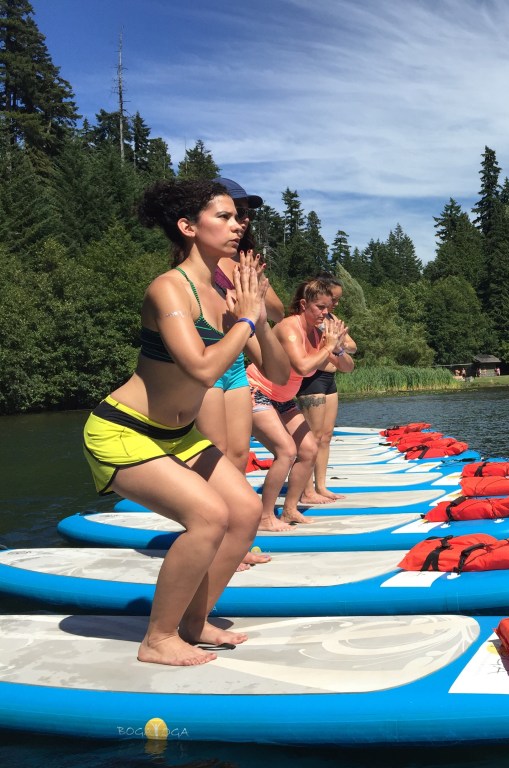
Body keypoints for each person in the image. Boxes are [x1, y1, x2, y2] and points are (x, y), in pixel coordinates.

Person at [82, 179, 275, 666]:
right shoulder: (170, 287)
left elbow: (275, 373)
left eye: (239, 217)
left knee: (245, 514)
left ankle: (194, 620)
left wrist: (256, 317)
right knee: (208, 517)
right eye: (225, 217)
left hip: (178, 435)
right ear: (189, 227)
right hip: (123, 430)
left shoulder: (221, 291)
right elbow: (203, 369)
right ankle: (159, 638)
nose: (238, 225)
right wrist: (245, 322)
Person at [190, 178, 290, 569]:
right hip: (210, 364)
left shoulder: (240, 261)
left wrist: (252, 291)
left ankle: (236, 538)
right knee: (216, 457)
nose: (243, 221)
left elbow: (275, 312)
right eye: (234, 212)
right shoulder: (211, 261)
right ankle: (215, 538)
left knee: (239, 454)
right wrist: (245, 294)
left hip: (235, 366)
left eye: (245, 214)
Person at [247, 277, 354, 530]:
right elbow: (302, 365)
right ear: (304, 304)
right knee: (286, 452)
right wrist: (327, 347)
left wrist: (337, 349)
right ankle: (264, 517)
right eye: (320, 307)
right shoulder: (289, 327)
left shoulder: (319, 335)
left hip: (283, 400)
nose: (325, 313)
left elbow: (348, 367)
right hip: (257, 392)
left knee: (308, 449)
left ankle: (289, 510)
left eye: (328, 308)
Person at [295, 275, 357, 501]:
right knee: (312, 437)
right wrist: (334, 343)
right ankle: (305, 490)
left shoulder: (332, 318)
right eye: (334, 299)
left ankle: (320, 486)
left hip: (330, 380)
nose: (336, 303)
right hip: (313, 379)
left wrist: (339, 344)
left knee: (326, 436)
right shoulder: (309, 319)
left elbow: (352, 346)